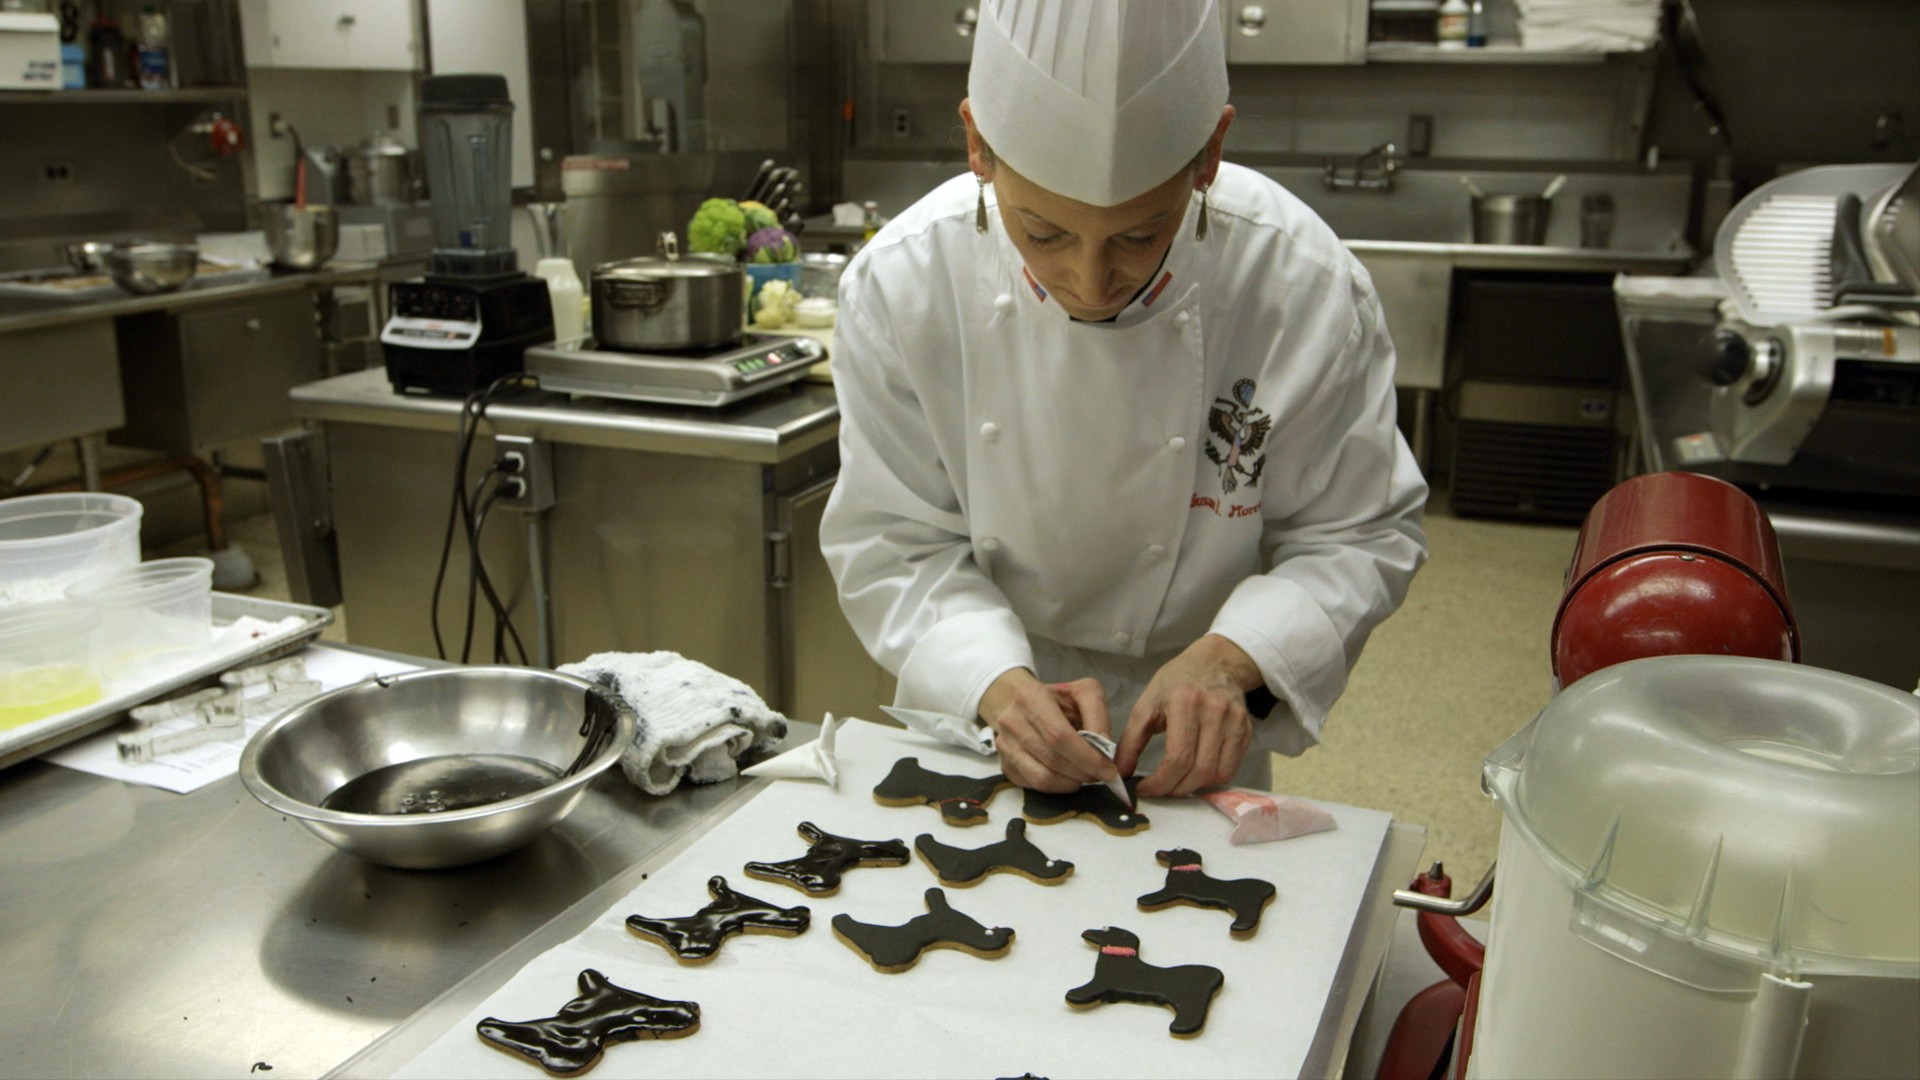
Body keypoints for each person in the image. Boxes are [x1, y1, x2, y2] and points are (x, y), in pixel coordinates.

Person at [820, 0, 1428, 799]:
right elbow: (894, 540)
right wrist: (994, 681)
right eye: (1043, 234)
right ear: (978, 144)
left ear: (1209, 153)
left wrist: (1236, 655)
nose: (1089, 280)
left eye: (1141, 236)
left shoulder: (1300, 284)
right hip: (995, 706)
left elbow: (1358, 531)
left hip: (1204, 712)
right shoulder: (903, 286)